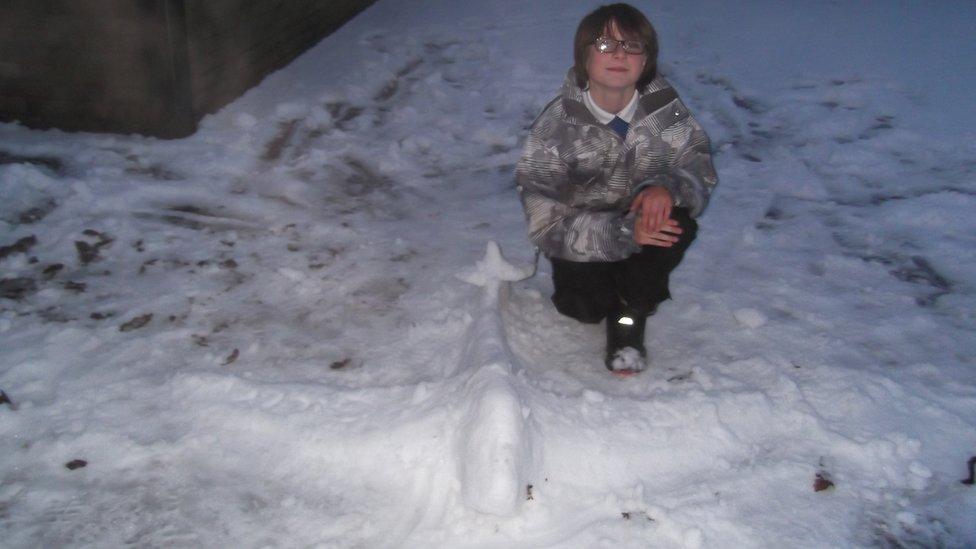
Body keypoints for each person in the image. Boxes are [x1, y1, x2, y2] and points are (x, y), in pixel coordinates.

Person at [515, 3, 717, 375]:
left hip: (642, 222)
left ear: (646, 60)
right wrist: (624, 232)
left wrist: (666, 187)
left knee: (674, 224)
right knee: (583, 309)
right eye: (607, 45)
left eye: (633, 46)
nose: (621, 54)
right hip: (582, 234)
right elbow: (544, 220)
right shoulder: (555, 127)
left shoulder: (665, 110)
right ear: (584, 57)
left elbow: (698, 165)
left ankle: (630, 315)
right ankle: (609, 290)